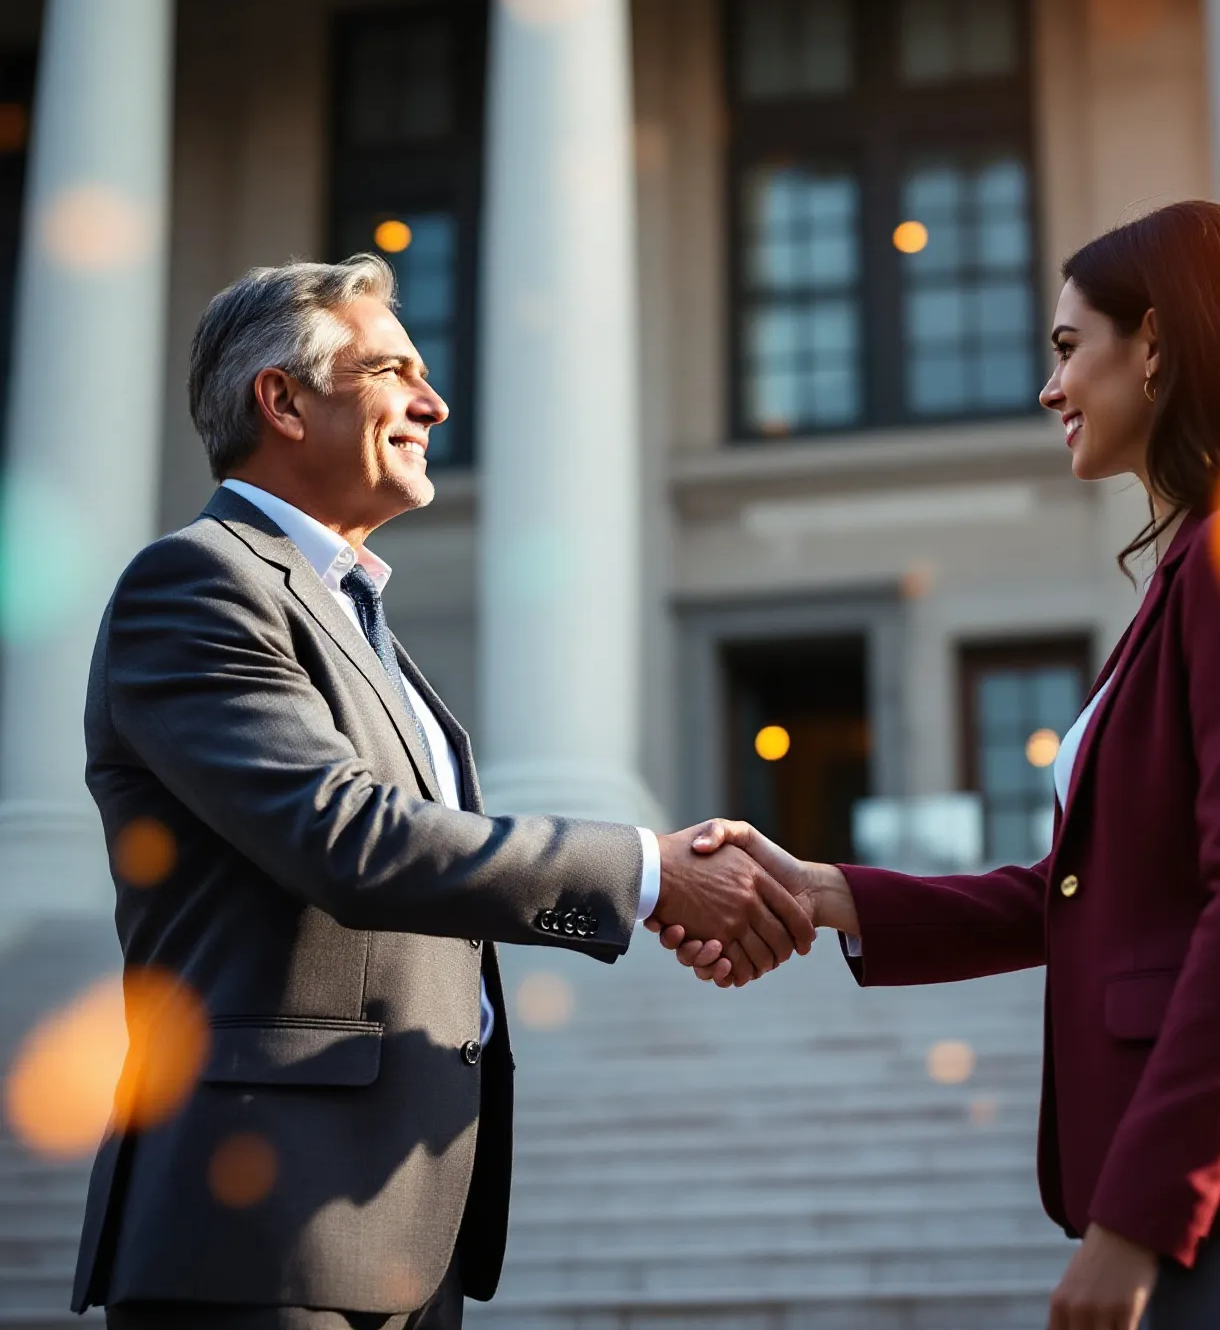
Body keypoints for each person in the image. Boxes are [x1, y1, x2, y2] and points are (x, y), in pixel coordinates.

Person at [654, 201, 1220, 1330]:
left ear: (1154, 345)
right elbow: (1073, 887)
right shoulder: (1204, 562)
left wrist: (1142, 1218)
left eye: (1069, 348)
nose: (1049, 389)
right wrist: (822, 893)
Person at [72, 255, 811, 1329]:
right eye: (393, 372)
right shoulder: (197, 583)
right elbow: (350, 843)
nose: (435, 402)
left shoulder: (357, 618)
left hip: (396, 1232)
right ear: (279, 399)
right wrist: (649, 875)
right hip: (255, 1235)